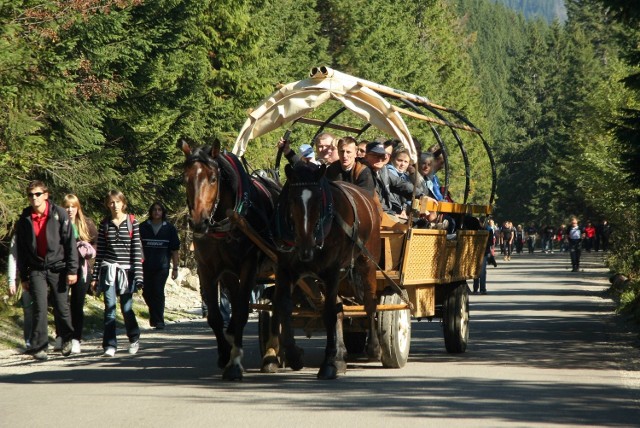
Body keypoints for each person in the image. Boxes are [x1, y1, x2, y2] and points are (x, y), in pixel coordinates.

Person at [16, 180, 78, 360]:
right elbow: (22, 249)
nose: (34, 198)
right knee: (40, 308)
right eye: (30, 195)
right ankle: (40, 346)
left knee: (61, 306)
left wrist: (72, 269)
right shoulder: (25, 218)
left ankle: (67, 338)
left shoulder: (58, 214)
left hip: (58, 267)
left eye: (37, 194)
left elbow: (70, 244)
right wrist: (24, 276)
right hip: (36, 268)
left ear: (46, 195)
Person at [91, 190, 143, 357]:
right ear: (108, 204)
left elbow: (136, 251)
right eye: (111, 202)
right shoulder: (104, 223)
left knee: (126, 308)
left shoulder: (132, 222)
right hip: (109, 270)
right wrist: (95, 276)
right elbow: (100, 253)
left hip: (126, 272)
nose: (114, 205)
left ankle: (134, 338)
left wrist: (139, 276)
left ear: (123, 203)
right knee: (109, 308)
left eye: (117, 202)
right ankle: (109, 345)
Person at [63, 194, 98, 354]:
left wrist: (90, 265)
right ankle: (62, 336)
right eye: (67, 206)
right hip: (62, 268)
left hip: (82, 270)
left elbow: (96, 243)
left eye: (73, 206)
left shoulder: (86, 223)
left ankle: (76, 338)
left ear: (78, 207)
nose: (70, 210)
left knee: (77, 304)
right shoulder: (58, 224)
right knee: (61, 304)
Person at [139, 201, 180, 330]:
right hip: (145, 267)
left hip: (162, 267)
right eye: (154, 210)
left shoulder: (169, 228)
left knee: (158, 291)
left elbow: (175, 250)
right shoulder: (143, 227)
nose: (157, 212)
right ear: (151, 212)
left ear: (163, 212)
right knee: (146, 292)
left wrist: (175, 268)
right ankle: (154, 316)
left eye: (159, 210)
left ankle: (159, 320)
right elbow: (136, 246)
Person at [364, 141, 422, 221]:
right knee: (409, 226)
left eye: (382, 156)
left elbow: (400, 184)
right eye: (375, 155)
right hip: (375, 215)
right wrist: (393, 214)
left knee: (420, 223)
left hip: (387, 213)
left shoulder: (383, 170)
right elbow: (374, 201)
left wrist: (420, 195)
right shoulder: (364, 172)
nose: (380, 159)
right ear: (366, 156)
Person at [7, 232, 33, 350]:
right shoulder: (19, 234)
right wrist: (11, 280)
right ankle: (29, 341)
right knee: (28, 311)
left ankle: (40, 340)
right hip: (26, 278)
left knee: (41, 310)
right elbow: (13, 257)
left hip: (45, 276)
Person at [473, 219, 495, 295]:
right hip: (483, 251)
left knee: (478, 270)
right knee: (481, 270)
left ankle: (477, 288)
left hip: (479, 251)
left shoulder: (476, 229)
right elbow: (491, 242)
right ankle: (481, 289)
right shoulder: (489, 229)